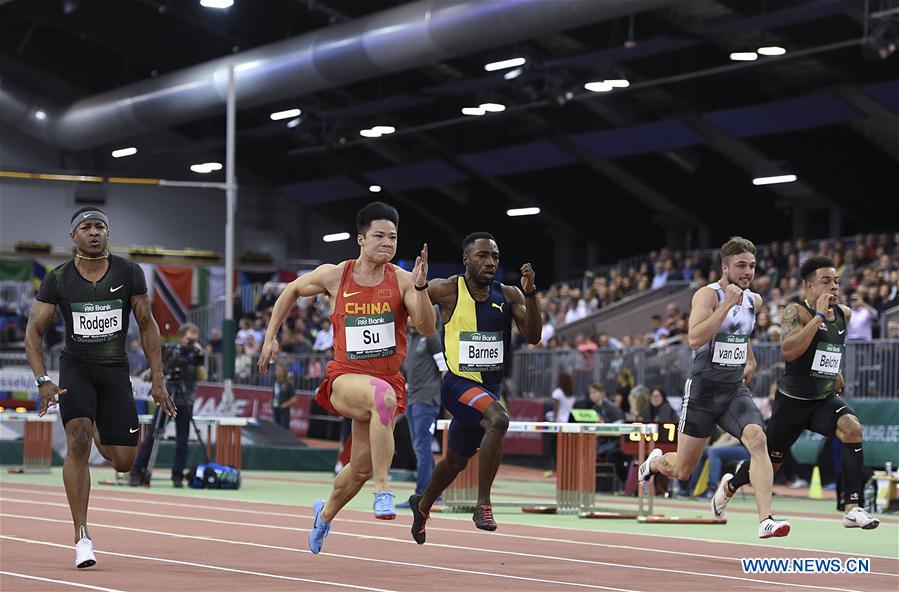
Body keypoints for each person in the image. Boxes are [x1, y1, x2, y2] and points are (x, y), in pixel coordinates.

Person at [257, 202, 435, 554]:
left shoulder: (402, 280)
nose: (387, 243)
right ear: (361, 239)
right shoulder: (336, 275)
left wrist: (422, 287)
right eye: (380, 236)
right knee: (381, 397)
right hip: (345, 379)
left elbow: (427, 327)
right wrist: (270, 336)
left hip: (385, 381)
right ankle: (384, 489)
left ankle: (324, 515)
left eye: (393, 238)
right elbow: (290, 290)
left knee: (359, 469)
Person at [24, 207, 175, 569]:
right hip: (76, 367)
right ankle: (82, 536)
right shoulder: (58, 279)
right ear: (73, 236)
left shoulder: (129, 272)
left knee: (124, 463)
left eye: (100, 227)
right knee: (76, 439)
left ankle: (90, 420)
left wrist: (157, 377)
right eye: (86, 227)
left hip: (114, 371)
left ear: (107, 234)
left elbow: (147, 324)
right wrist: (43, 380)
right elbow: (34, 331)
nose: (94, 232)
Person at [638, 236, 790, 539]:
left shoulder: (755, 300)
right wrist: (727, 304)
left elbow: (740, 334)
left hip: (733, 390)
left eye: (752, 266)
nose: (748, 272)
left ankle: (765, 520)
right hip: (703, 391)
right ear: (725, 266)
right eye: (741, 266)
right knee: (682, 470)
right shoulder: (707, 296)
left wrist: (750, 360)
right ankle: (655, 462)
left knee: (759, 441)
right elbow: (695, 339)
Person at [714, 256, 879, 530]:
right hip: (792, 404)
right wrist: (818, 317)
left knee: (852, 429)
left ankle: (852, 507)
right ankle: (731, 485)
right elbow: (790, 351)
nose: (834, 287)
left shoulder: (844, 314)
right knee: (770, 463)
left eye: (836, 281)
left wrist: (835, 371)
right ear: (810, 287)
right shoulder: (796, 312)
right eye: (826, 281)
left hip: (822, 399)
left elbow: (830, 347)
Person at [409, 232, 542, 544]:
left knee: (455, 461)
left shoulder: (508, 295)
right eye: (482, 256)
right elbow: (408, 304)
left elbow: (533, 336)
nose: (490, 262)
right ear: (466, 259)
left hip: (487, 391)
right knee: (499, 419)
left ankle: (423, 505)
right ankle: (483, 503)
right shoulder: (447, 289)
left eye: (495, 257)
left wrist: (532, 294)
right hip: (457, 385)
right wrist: (417, 286)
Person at [130, 323, 205, 487]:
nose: (191, 343)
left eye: (194, 340)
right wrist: (149, 372)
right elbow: (160, 366)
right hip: (167, 398)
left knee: (182, 439)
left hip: (186, 399)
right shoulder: (171, 350)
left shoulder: (195, 353)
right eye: (189, 340)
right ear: (181, 337)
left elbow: (203, 376)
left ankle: (177, 476)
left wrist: (198, 356)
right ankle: (137, 471)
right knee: (153, 435)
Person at [397, 310, 447, 507]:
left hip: (426, 399)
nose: (408, 317)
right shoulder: (409, 338)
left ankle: (421, 496)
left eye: (411, 314)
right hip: (412, 398)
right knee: (420, 446)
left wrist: (445, 398)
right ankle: (435, 493)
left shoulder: (431, 337)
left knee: (422, 447)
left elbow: (444, 370)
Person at [271, 362, 298, 431]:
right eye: (276, 370)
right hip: (276, 409)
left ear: (284, 371)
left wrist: (285, 404)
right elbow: (275, 395)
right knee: (275, 430)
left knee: (283, 431)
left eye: (279, 370)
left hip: (284, 411)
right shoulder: (275, 382)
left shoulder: (288, 384)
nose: (277, 372)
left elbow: (295, 398)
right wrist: (271, 401)